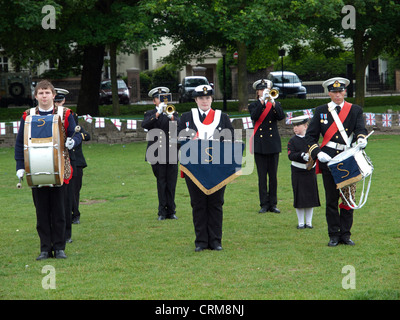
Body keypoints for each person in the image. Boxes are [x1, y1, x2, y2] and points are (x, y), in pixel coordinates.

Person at [14, 80, 82, 260]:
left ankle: (59, 247)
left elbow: (76, 134)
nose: (44, 96)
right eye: (41, 93)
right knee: (41, 211)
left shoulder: (65, 113)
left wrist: (72, 142)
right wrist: (20, 166)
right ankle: (45, 248)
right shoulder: (27, 115)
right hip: (35, 168)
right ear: (35, 96)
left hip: (59, 168)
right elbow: (20, 142)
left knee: (60, 210)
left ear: (53, 95)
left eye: (47, 93)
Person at [305, 77, 368, 247]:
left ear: (345, 92)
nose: (338, 94)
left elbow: (360, 129)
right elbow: (310, 136)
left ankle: (345, 235)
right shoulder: (320, 111)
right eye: (334, 91)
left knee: (348, 199)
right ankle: (333, 234)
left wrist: (362, 139)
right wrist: (318, 153)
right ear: (329, 93)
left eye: (340, 91)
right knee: (331, 200)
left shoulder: (354, 110)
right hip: (329, 161)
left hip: (348, 159)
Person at [178, 84, 234, 252]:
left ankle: (216, 240)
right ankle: (201, 241)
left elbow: (230, 138)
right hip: (194, 168)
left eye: (208, 98)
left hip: (217, 168)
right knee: (198, 204)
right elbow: (179, 139)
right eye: (201, 98)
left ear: (211, 99)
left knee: (216, 203)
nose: (205, 101)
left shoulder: (222, 117)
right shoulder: (187, 117)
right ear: (196, 99)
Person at [141, 87, 179, 220]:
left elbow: (179, 126)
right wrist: (157, 114)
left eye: (164, 98)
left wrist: (171, 116)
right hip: (156, 153)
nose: (162, 100)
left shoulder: (172, 112)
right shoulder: (150, 114)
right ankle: (162, 212)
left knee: (171, 184)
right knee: (161, 182)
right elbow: (144, 125)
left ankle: (171, 211)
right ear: (154, 101)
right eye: (159, 98)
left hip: (172, 153)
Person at [248, 79, 285, 214]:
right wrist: (262, 102)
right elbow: (254, 116)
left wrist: (273, 102)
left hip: (273, 144)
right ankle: (264, 203)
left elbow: (281, 116)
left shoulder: (275, 103)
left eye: (266, 90)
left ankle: (273, 204)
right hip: (260, 145)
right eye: (261, 90)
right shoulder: (253, 105)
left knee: (273, 176)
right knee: (262, 176)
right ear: (257, 92)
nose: (264, 91)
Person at [287, 115, 320, 229]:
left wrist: (312, 157)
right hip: (297, 171)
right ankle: (301, 222)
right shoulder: (292, 140)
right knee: (299, 196)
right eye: (294, 126)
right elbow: (290, 155)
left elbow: (317, 150)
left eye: (298, 125)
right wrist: (302, 155)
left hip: (310, 170)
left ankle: (309, 222)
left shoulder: (311, 139)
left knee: (310, 196)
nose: (295, 128)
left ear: (306, 126)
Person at [71, 112, 90, 225]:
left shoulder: (72, 116)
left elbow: (87, 136)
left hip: (77, 162)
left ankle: (75, 214)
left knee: (75, 190)